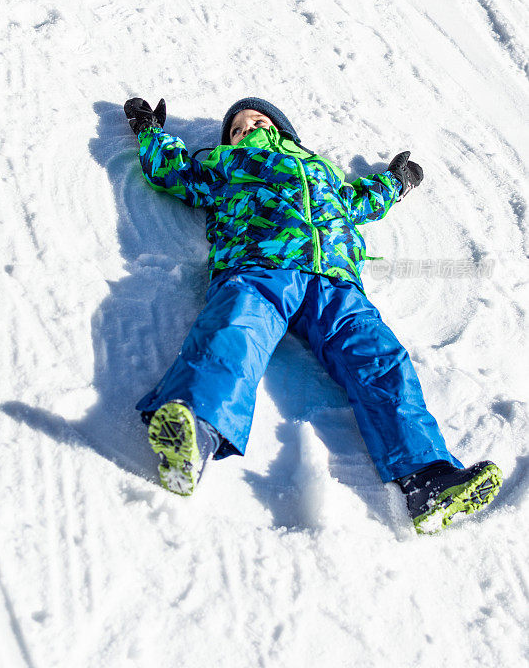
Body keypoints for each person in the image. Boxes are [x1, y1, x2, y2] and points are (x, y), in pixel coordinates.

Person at [123, 96, 503, 534]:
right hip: (258, 264)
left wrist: (396, 183)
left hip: (334, 280)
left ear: (282, 129)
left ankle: (428, 480)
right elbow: (175, 172)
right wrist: (150, 132)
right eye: (237, 128)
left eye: (257, 120)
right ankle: (195, 434)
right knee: (235, 331)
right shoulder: (227, 165)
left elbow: (359, 202)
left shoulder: (320, 172)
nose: (246, 128)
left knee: (381, 360)